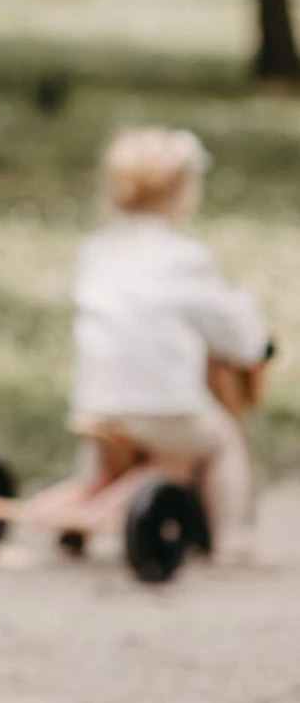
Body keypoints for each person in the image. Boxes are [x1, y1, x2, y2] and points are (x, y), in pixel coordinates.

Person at [71, 126, 269, 556]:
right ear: (181, 193)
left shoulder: (97, 250)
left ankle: (86, 497)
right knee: (221, 441)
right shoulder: (185, 261)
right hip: (164, 409)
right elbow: (229, 325)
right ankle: (231, 535)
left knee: (115, 438)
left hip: (96, 402)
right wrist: (255, 343)